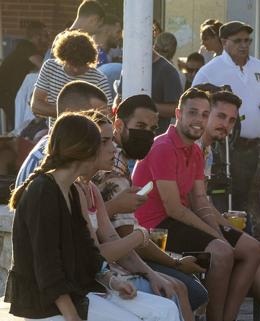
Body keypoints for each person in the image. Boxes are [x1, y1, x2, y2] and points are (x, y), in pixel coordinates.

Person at [134, 88, 260, 321]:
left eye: (205, 115)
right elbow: (174, 208)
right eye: (193, 113)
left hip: (176, 220)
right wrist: (216, 234)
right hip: (155, 228)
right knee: (223, 251)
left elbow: (200, 200)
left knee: (252, 247)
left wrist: (223, 229)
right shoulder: (164, 147)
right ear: (178, 113)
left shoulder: (194, 150)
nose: (200, 120)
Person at [6, 112, 180, 321]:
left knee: (166, 310)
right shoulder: (43, 191)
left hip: (76, 293)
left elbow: (87, 252)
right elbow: (48, 267)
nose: (109, 149)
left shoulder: (70, 190)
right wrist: (73, 317)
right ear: (85, 150)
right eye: (100, 143)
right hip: (44, 305)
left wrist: (111, 281)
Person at [86, 110, 202, 321]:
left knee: (176, 289)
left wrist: (152, 273)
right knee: (177, 292)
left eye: (152, 129)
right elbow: (96, 255)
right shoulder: (82, 185)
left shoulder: (91, 188)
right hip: (91, 281)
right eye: (105, 141)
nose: (114, 147)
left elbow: (111, 242)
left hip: (110, 270)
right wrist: (144, 239)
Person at [192, 21, 260, 211]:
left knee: (244, 199)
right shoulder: (210, 70)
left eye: (247, 40)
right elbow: (191, 102)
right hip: (224, 147)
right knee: (226, 199)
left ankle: (239, 235)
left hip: (253, 147)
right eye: (238, 41)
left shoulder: (258, 66)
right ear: (224, 42)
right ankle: (227, 235)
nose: (244, 45)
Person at [17, 81, 109, 187]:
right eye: (96, 118)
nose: (105, 123)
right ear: (71, 117)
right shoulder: (50, 161)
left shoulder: (69, 151)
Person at [31, 30, 113, 127]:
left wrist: (66, 113)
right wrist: (74, 113)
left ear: (89, 61)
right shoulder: (50, 67)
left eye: (80, 65)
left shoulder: (99, 79)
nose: (75, 69)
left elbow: (107, 117)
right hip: (56, 134)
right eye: (72, 64)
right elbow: (36, 106)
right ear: (62, 59)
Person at [0, 21, 49, 131]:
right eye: (46, 35)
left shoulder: (24, 48)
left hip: (11, 93)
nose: (48, 39)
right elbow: (44, 66)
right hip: (7, 95)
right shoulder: (26, 47)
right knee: (21, 124)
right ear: (38, 36)